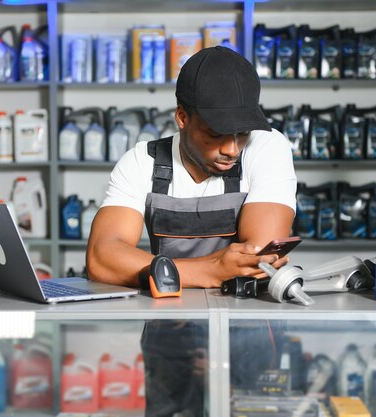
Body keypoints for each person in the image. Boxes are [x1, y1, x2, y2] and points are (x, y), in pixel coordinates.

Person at [87, 46, 297, 416]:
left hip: (250, 338)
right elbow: (103, 258)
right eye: (215, 133)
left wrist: (166, 270)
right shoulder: (142, 162)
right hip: (170, 336)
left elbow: (256, 257)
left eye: (242, 133)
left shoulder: (268, 146)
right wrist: (212, 269)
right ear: (182, 117)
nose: (232, 149)